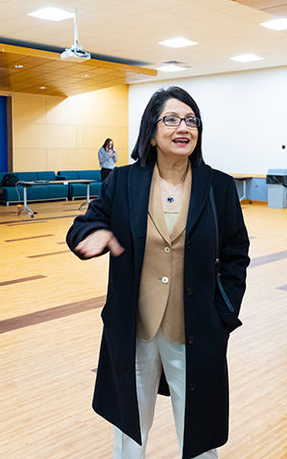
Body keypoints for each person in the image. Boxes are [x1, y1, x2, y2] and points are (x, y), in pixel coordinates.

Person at [66, 86, 250, 459]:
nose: (183, 127)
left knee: (200, 430)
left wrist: (224, 312)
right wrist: (94, 233)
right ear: (150, 132)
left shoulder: (217, 185)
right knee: (130, 428)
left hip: (196, 327)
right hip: (135, 327)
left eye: (191, 120)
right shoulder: (122, 182)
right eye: (171, 119)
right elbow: (81, 227)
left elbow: (236, 253)